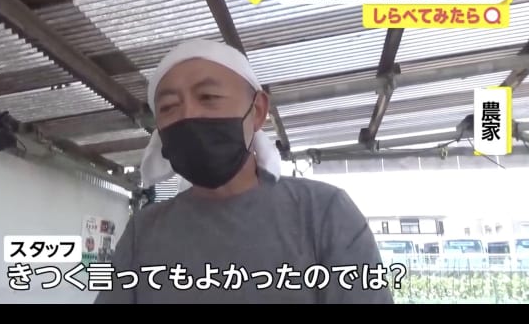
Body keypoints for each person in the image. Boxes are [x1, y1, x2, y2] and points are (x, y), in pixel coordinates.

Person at [94, 39, 394, 304]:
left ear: (258, 111)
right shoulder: (144, 231)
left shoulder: (323, 213)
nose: (188, 114)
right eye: (169, 106)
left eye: (208, 97)